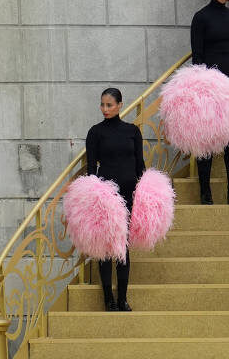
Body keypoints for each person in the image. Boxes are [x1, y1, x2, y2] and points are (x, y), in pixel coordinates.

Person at [86, 87, 145, 312]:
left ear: (120, 105)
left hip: (129, 194)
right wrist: (94, 195)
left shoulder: (132, 131)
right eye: (102, 105)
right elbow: (91, 168)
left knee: (122, 247)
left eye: (109, 105)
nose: (105, 109)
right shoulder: (95, 132)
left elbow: (140, 165)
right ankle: (108, 299)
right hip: (105, 196)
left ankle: (123, 299)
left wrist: (145, 192)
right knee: (106, 248)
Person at [190, 0, 229, 205]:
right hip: (211, 86)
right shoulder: (201, 18)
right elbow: (198, 55)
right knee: (208, 139)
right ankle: (205, 193)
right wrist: (203, 85)